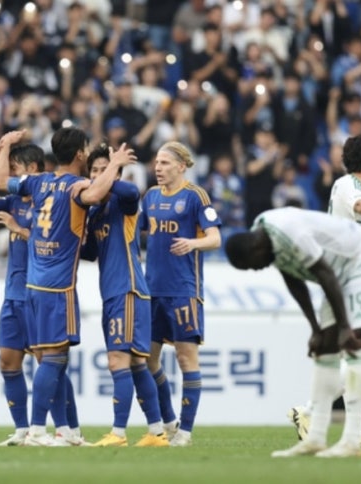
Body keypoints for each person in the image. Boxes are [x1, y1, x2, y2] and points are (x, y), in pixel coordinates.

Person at [226, 207, 361, 458]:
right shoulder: (264, 237)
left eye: (252, 266)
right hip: (340, 274)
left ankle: (351, 441)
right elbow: (293, 280)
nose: (257, 270)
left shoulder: (290, 234)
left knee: (355, 342)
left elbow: (324, 274)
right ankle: (315, 438)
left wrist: (345, 327)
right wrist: (315, 329)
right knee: (325, 347)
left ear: (255, 248)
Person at [0, 128, 137, 446]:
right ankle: (37, 430)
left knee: (51, 359)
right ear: (81, 154)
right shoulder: (76, 187)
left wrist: (5, 147)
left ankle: (67, 431)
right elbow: (96, 195)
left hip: (32, 284)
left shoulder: (37, 182)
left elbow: (1, 181)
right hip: (58, 288)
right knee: (54, 358)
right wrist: (115, 163)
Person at [288, 134, 361, 450]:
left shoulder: (356, 187)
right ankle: (308, 410)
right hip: (352, 282)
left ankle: (355, 430)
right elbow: (359, 206)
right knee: (360, 353)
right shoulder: (347, 185)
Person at [79, 144, 169, 448]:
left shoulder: (123, 201)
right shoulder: (95, 213)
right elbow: (89, 252)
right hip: (112, 293)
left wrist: (111, 170)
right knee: (136, 364)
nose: (97, 175)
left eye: (102, 169)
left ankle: (118, 433)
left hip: (128, 289)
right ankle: (156, 432)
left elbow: (131, 192)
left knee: (118, 359)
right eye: (93, 170)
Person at [139, 141, 222, 447]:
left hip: (183, 291)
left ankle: (185, 432)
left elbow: (215, 238)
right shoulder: (150, 196)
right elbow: (136, 230)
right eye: (156, 163)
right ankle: (169, 421)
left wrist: (193, 243)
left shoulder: (195, 196)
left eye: (164, 163)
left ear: (181, 166)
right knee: (147, 361)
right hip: (151, 291)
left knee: (186, 359)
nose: (158, 168)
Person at [0, 141, 44, 446]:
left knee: (48, 365)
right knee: (8, 363)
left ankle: (64, 430)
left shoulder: (49, 201)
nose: (10, 175)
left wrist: (18, 228)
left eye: (14, 168)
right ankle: (22, 430)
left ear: (32, 169)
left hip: (40, 293)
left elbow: (55, 244)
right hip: (13, 295)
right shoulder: (12, 201)